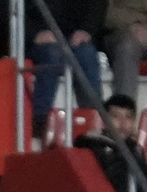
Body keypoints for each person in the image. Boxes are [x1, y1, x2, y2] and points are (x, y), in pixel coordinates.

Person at [26, 0, 105, 142]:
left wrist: (86, 30)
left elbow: (97, 5)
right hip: (33, 39)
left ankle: (95, 120)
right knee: (52, 53)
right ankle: (40, 122)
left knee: (87, 53)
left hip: (72, 37)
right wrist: (33, 34)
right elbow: (1, 8)